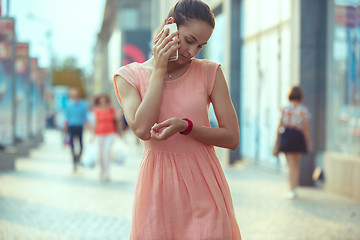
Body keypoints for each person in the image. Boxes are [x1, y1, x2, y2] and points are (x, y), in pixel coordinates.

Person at [113, 0, 242, 239]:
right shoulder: (129, 76)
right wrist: (159, 70)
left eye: (201, 46)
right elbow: (142, 128)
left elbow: (232, 138)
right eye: (190, 40)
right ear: (170, 26)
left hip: (205, 186)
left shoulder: (210, 71)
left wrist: (187, 127)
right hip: (158, 191)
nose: (192, 52)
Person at [276, 86, 311, 199]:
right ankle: (294, 188)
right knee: (296, 164)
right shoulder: (303, 109)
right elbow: (306, 128)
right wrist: (308, 143)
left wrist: (277, 140)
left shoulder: (285, 108)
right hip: (298, 136)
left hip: (287, 135)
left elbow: (279, 125)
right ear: (300, 96)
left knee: (289, 164)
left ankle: (291, 189)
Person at [92, 93, 117, 181]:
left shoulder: (111, 110)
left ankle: (107, 172)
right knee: (100, 154)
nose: (103, 103)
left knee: (106, 153)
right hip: (99, 134)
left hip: (110, 133)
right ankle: (101, 170)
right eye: (101, 101)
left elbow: (117, 121)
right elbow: (95, 123)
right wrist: (92, 135)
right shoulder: (96, 111)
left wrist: (121, 133)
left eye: (104, 101)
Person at [64, 87, 88, 173]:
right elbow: (66, 117)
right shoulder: (69, 104)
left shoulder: (83, 104)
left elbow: (85, 117)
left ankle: (78, 157)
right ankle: (74, 162)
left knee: (81, 145)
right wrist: (65, 129)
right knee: (72, 146)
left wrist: (86, 126)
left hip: (80, 126)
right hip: (71, 126)